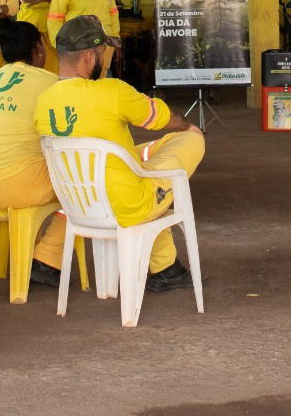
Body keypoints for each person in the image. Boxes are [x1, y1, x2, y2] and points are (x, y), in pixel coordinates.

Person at [34, 15, 202, 291]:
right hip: (127, 205)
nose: (105, 58)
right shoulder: (111, 91)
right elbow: (160, 118)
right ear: (89, 56)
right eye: (102, 52)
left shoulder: (44, 100)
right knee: (188, 141)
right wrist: (188, 126)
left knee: (147, 156)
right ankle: (166, 269)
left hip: (78, 204)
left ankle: (167, 268)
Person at [0, 20, 68, 287]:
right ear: (37, 49)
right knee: (82, 186)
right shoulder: (49, 81)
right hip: (15, 186)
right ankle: (47, 258)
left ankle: (10, 261)